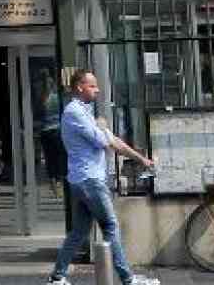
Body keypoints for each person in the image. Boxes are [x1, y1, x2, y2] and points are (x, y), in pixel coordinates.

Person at [49, 70, 160, 285]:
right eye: (92, 86)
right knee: (110, 226)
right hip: (90, 180)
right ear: (79, 87)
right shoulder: (75, 112)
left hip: (82, 180)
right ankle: (128, 279)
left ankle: (57, 277)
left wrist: (142, 159)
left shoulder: (84, 112)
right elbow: (104, 141)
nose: (98, 90)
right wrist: (103, 129)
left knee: (79, 232)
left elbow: (113, 140)